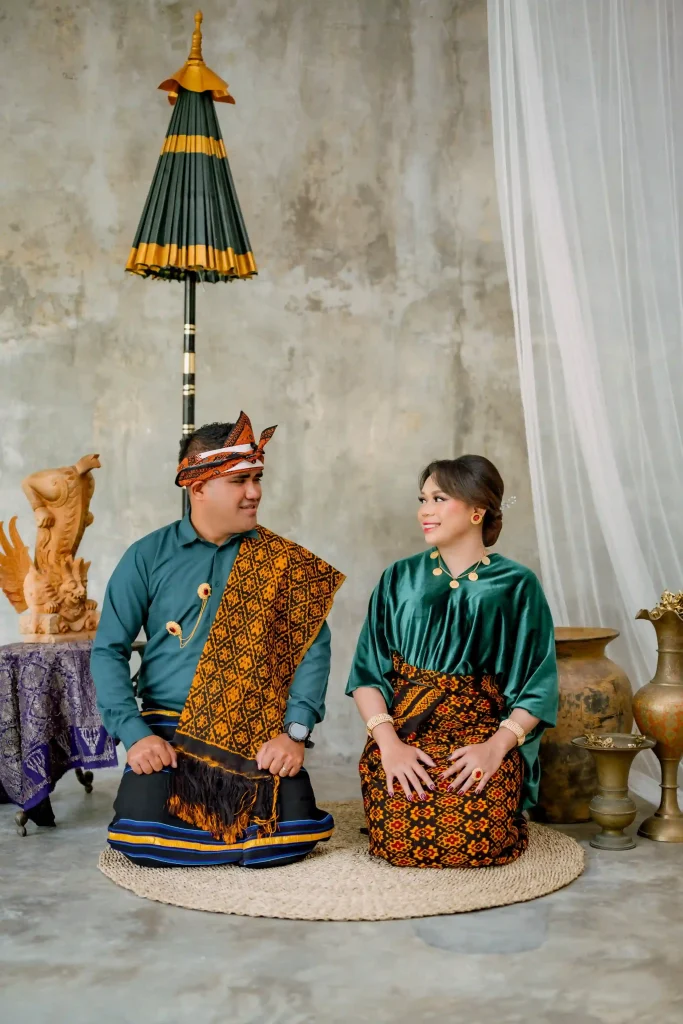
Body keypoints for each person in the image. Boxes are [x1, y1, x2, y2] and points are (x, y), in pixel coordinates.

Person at [92, 412, 344, 867]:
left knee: (291, 837)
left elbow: (313, 648)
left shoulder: (284, 563)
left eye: (257, 478)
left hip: (256, 729)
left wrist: (294, 733)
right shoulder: (146, 556)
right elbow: (108, 650)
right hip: (167, 729)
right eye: (240, 481)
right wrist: (135, 735)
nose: (255, 492)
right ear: (198, 488)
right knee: (141, 839)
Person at [346, 455, 558, 869]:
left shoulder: (518, 585)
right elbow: (367, 674)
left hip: (481, 735)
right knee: (398, 839)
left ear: (477, 510)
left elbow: (538, 684)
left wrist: (495, 749)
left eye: (439, 499)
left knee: (478, 839)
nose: (425, 511)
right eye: (423, 499)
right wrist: (390, 747)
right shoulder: (398, 578)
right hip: (407, 733)